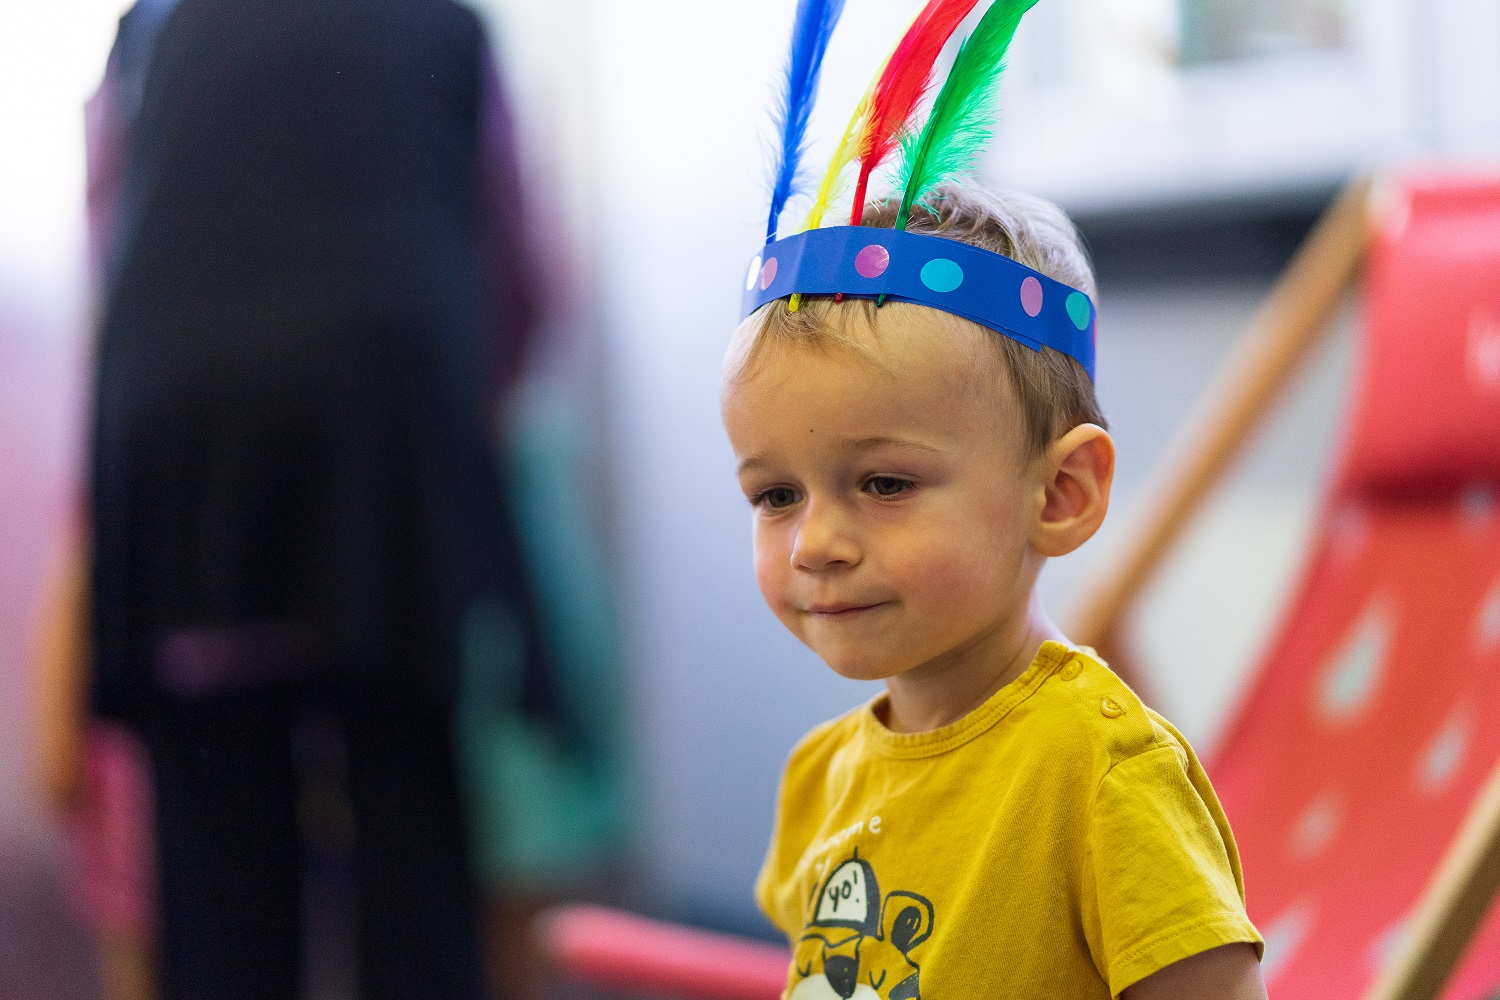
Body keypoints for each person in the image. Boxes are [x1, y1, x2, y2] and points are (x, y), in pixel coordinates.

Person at [83, 0, 549, 997]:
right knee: (407, 815)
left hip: (185, 437)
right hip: (379, 432)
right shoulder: (445, 24)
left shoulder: (147, 26)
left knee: (213, 839)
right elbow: (520, 277)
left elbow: (108, 235)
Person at [725, 178, 1267, 998]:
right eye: (776, 496)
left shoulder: (1104, 777)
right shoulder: (818, 777)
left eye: (884, 483)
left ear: (1060, 495)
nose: (816, 544)